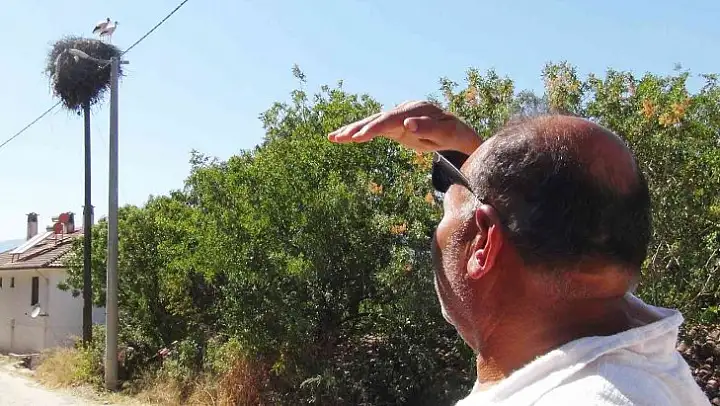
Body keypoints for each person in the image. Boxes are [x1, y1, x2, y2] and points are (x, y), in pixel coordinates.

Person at [328, 101, 710, 405]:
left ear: (482, 243)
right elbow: (554, 227)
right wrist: (473, 158)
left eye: (446, 208)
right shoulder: (637, 361)